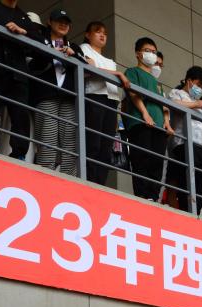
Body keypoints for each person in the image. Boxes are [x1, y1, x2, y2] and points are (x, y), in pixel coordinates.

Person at [0, 0, 41, 159]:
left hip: (17, 75)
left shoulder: (23, 16)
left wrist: (23, 32)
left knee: (20, 116)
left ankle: (18, 155)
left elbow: (40, 41)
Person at [28, 10, 85, 176]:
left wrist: (73, 56)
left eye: (66, 22)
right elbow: (31, 64)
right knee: (48, 137)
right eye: (59, 21)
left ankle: (69, 178)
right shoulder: (40, 39)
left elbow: (86, 69)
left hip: (69, 98)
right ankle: (46, 175)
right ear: (49, 22)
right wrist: (51, 52)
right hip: (46, 95)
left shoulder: (73, 47)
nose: (63, 24)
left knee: (70, 140)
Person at [122, 37, 172, 201]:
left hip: (158, 126)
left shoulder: (157, 83)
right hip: (139, 122)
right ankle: (142, 196)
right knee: (141, 159)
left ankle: (153, 197)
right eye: (147, 51)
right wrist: (145, 113)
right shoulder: (132, 72)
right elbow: (133, 94)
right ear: (138, 54)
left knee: (157, 162)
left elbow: (164, 106)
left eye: (153, 52)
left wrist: (166, 123)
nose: (151, 54)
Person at [79, 21, 128, 186]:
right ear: (88, 35)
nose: (102, 35)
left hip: (111, 101)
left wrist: (116, 73)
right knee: (93, 142)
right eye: (97, 31)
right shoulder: (84, 49)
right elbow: (90, 70)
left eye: (105, 33)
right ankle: (89, 181)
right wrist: (117, 74)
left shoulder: (110, 61)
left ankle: (99, 184)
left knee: (106, 147)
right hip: (94, 96)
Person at [167, 65, 202, 214]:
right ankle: (187, 211)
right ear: (189, 81)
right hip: (183, 143)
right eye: (198, 85)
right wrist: (196, 104)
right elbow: (173, 103)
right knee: (185, 179)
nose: (200, 89)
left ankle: (194, 210)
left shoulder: (198, 101)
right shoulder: (177, 92)